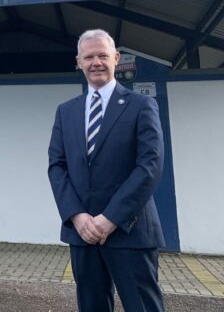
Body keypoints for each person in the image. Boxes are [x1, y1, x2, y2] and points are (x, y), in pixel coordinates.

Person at [48, 29, 165, 312]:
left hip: (130, 231)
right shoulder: (66, 111)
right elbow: (57, 166)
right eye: (89, 57)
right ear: (78, 62)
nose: (96, 62)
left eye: (102, 55)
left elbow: (150, 165)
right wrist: (77, 217)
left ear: (116, 58)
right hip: (82, 233)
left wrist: (110, 218)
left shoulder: (141, 106)